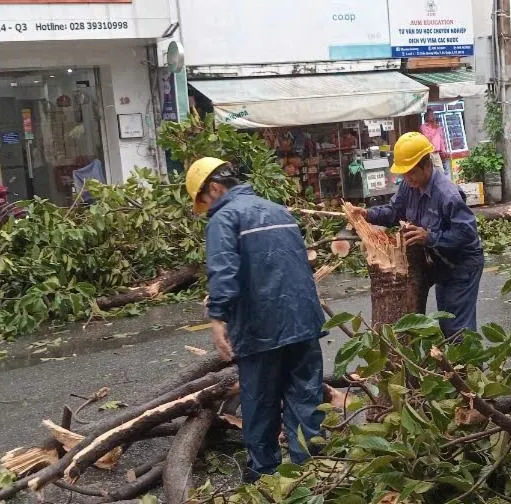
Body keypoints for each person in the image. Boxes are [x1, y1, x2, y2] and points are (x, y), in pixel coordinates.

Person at [185, 158, 326, 482]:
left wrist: (217, 318)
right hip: (303, 321)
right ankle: (313, 476)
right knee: (305, 398)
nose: (205, 210)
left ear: (215, 189)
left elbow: (224, 272)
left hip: (262, 328)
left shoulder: (224, 219)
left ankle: (263, 479)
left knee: (260, 403)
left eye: (204, 201)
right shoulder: (278, 210)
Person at [348, 132, 483, 339]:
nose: (407, 178)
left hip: (461, 265)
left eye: (411, 173)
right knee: (444, 320)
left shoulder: (447, 194)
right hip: (438, 261)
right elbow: (394, 212)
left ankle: (469, 370)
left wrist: (429, 237)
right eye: (404, 174)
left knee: (456, 327)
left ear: (427, 165)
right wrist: (368, 214)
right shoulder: (408, 186)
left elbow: (466, 234)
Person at [419, 110, 451, 176]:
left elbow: (441, 139)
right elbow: (428, 138)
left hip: (436, 153)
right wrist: (434, 129)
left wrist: (444, 151)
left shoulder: (437, 127)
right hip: (428, 152)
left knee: (440, 170)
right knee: (430, 171)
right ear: (426, 117)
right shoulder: (424, 127)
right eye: (431, 115)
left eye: (433, 115)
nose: (433, 116)